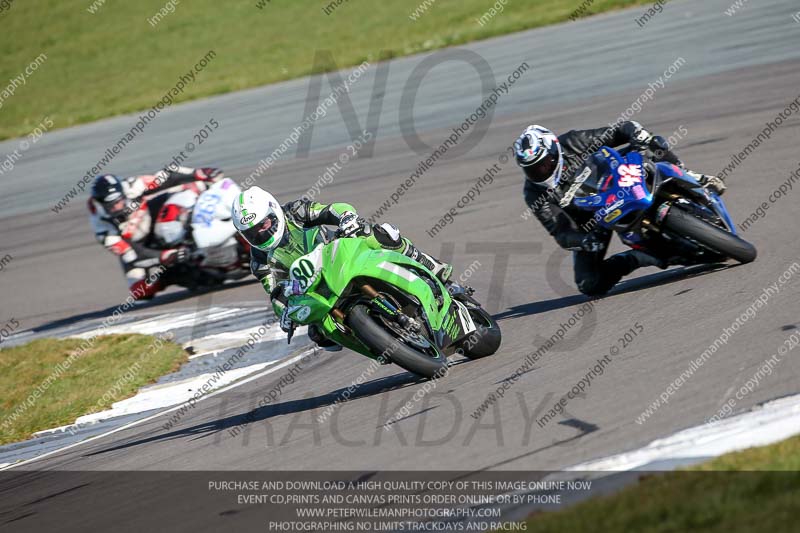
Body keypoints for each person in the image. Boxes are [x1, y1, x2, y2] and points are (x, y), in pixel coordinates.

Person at [514, 121, 726, 296]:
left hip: (619, 180)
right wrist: (583, 241)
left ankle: (694, 178)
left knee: (654, 144)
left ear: (554, 149)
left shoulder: (572, 142)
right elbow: (560, 232)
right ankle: (638, 258)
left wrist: (638, 135)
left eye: (543, 164)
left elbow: (619, 130)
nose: (540, 172)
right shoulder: (534, 193)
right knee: (589, 284)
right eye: (533, 170)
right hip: (593, 220)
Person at [231, 186, 452, 349]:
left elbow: (332, 210)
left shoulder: (296, 212)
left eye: (264, 224)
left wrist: (347, 218)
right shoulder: (259, 261)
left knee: (379, 233)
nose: (261, 233)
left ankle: (430, 266)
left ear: (273, 211)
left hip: (340, 255)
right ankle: (374, 342)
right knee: (318, 334)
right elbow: (275, 294)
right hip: (316, 287)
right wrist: (285, 313)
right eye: (253, 233)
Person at [88, 166, 223, 300]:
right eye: (111, 205)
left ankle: (218, 215)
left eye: (120, 201)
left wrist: (198, 173)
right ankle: (180, 273)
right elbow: (134, 255)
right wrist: (164, 256)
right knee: (140, 290)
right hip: (140, 245)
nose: (118, 207)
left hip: (151, 215)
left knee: (196, 186)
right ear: (100, 205)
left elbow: (167, 176)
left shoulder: (131, 186)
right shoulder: (103, 230)